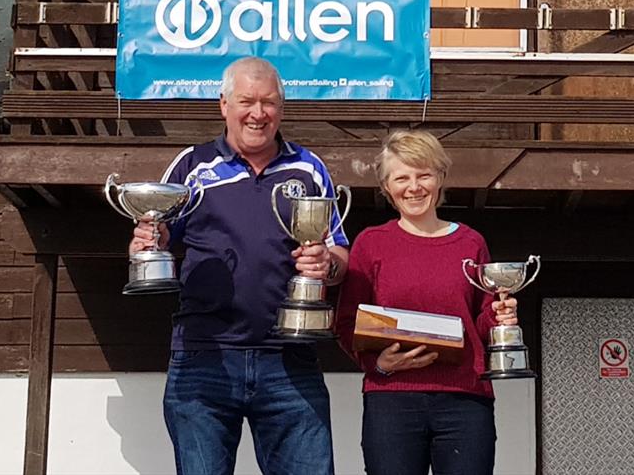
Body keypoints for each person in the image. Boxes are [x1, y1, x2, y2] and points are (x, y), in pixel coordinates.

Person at [129, 57, 350, 475]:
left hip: (290, 359)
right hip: (204, 357)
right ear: (223, 104)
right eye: (246, 100)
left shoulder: (308, 168)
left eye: (269, 102)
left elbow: (340, 253)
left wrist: (327, 265)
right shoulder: (192, 166)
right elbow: (154, 237)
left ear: (282, 108)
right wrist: (145, 242)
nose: (258, 113)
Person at [334, 130, 518, 475]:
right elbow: (346, 323)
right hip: (391, 399)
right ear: (387, 186)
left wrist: (499, 317)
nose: (413, 187)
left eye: (424, 175)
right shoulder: (370, 244)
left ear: (441, 178)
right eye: (401, 177)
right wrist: (380, 363)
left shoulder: (471, 243)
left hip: (465, 400)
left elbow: (480, 322)